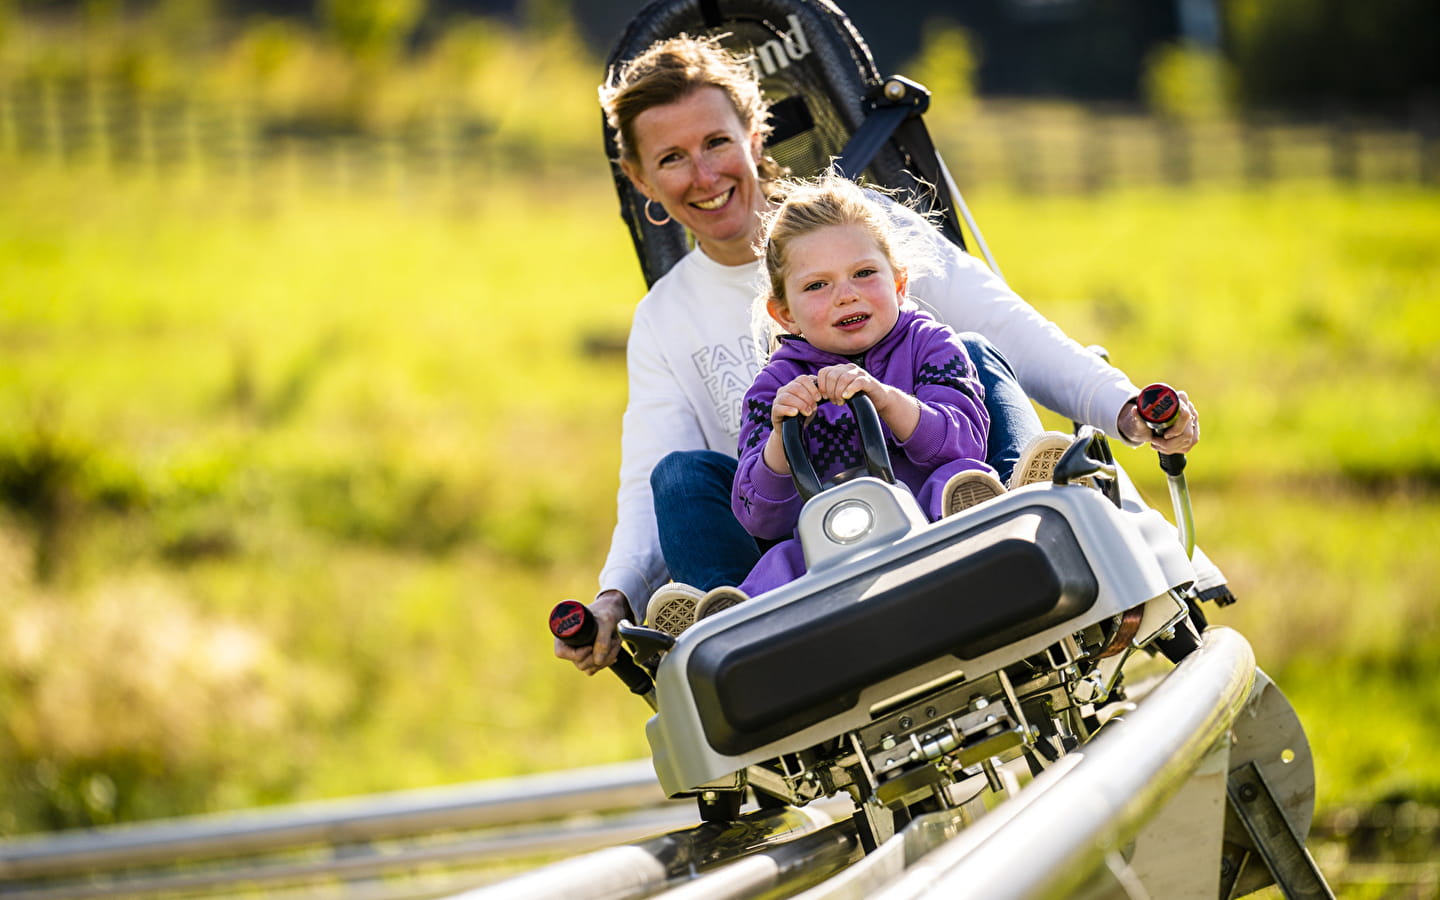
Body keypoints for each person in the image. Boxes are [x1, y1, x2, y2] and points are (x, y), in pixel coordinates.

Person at [555, 34, 1199, 677]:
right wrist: (616, 596)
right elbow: (650, 485)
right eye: (672, 157)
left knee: (973, 350)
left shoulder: (866, 228)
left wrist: (1127, 407)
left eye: (717, 142)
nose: (703, 174)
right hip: (800, 534)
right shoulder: (665, 318)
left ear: (754, 136)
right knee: (678, 474)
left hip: (935, 478)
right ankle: (732, 628)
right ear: (640, 178)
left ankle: (1020, 512)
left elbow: (1012, 330)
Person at [732, 172, 1005, 596]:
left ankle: (975, 521)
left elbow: (966, 442)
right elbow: (757, 516)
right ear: (785, 314)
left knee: (959, 475)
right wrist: (781, 442)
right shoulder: (774, 388)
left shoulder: (929, 343)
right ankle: (733, 614)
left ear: (899, 284)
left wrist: (888, 400)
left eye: (863, 273)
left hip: (929, 520)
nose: (846, 295)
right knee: (778, 559)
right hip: (831, 548)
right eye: (817, 285)